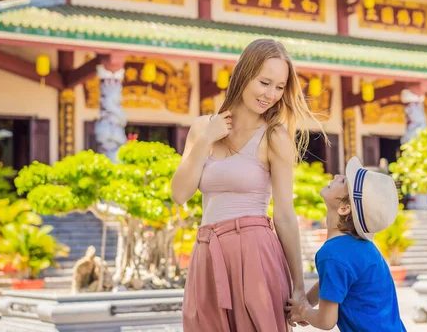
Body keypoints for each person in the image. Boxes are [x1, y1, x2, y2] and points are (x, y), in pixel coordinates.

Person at [171, 38, 325, 331]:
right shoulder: (203, 128)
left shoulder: (275, 137)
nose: (271, 94)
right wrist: (207, 139)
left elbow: (284, 214)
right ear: (244, 74)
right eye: (264, 82)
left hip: (254, 250)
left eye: (279, 87)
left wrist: (298, 286)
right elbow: (179, 194)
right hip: (207, 250)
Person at [286, 156, 407, 331]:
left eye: (343, 181)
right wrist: (306, 301)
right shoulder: (362, 248)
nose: (336, 176)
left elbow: (326, 321)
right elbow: (330, 283)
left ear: (344, 208)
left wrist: (303, 311)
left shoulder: (333, 254)